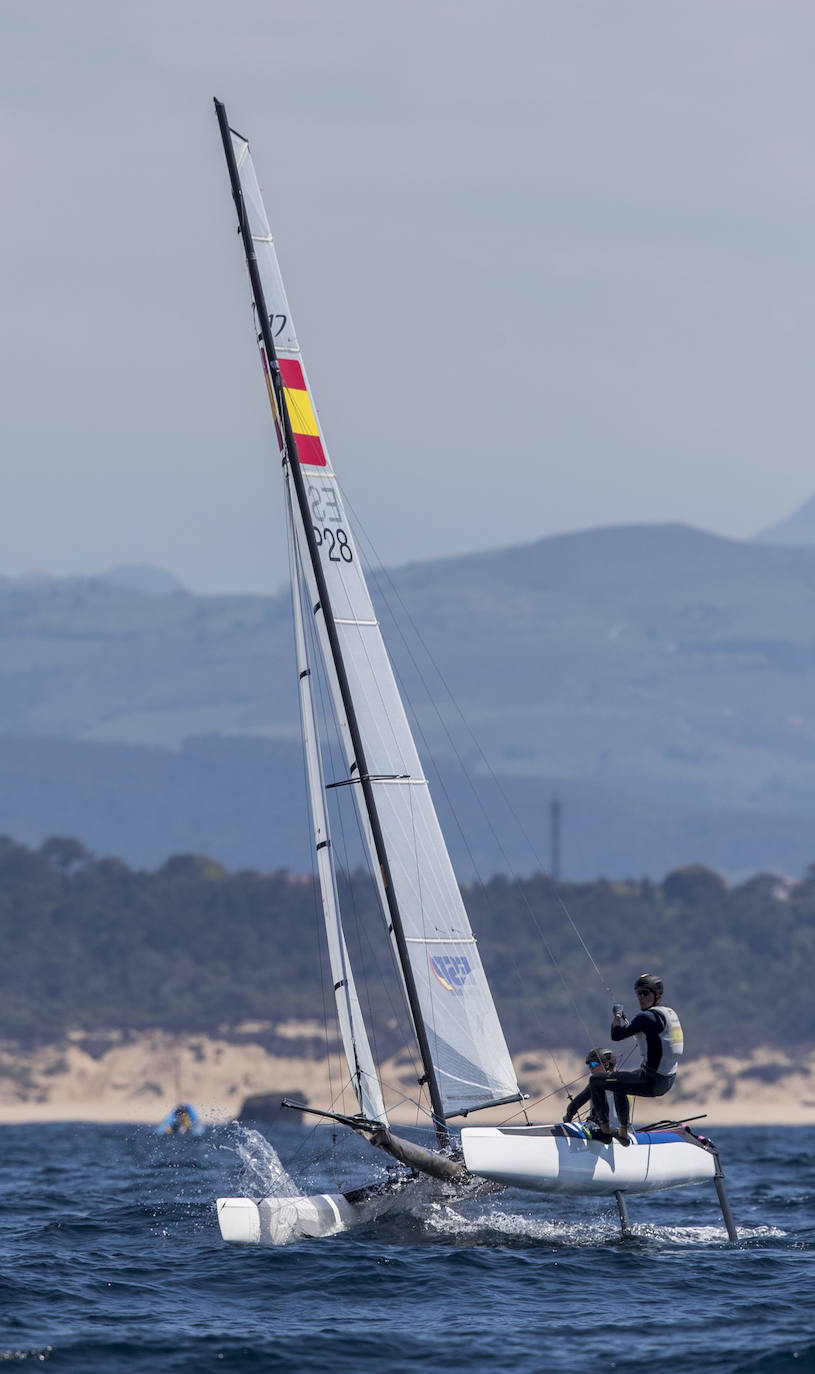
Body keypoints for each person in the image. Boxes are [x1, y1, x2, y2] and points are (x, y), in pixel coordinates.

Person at [587, 973, 683, 1145]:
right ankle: (623, 1132)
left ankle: (605, 1131)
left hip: (652, 1080)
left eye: (645, 993)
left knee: (596, 1080)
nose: (640, 998)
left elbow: (616, 1035)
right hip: (667, 1079)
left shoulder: (646, 1017)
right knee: (619, 1082)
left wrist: (617, 1016)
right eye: (638, 993)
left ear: (657, 994)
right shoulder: (669, 1013)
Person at [563, 1048, 628, 1133]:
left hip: (605, 1131)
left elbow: (576, 1103)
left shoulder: (597, 1082)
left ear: (606, 1064)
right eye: (589, 1066)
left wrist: (567, 1117)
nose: (591, 1068)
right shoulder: (622, 1080)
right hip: (621, 1132)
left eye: (593, 1064)